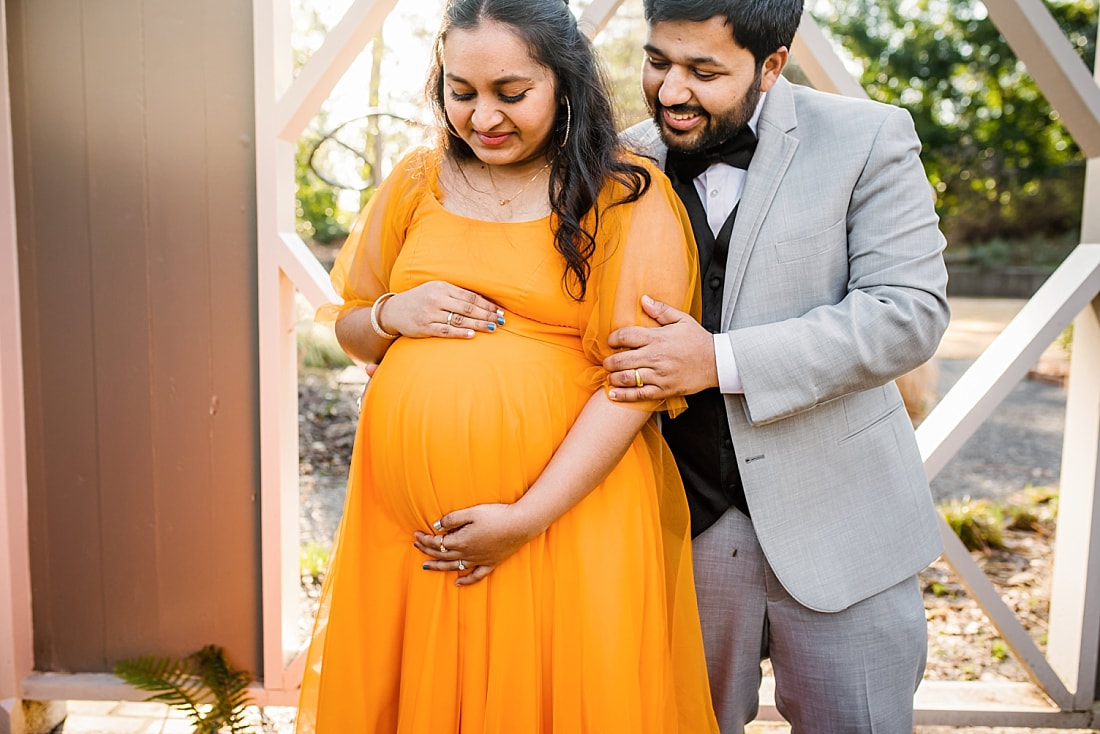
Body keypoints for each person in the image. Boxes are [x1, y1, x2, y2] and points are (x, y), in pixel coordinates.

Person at [295, 1, 720, 731]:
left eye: (510, 93)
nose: (482, 116)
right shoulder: (417, 180)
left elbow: (634, 386)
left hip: (561, 526)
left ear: (564, 83)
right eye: (461, 92)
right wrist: (395, 313)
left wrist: (524, 517)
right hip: (409, 544)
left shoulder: (624, 196)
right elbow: (354, 327)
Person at [599, 1, 952, 731]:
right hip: (674, 532)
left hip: (843, 526)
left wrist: (717, 360)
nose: (669, 92)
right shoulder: (615, 163)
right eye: (658, 61)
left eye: (704, 71)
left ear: (771, 66)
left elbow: (907, 313)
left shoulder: (868, 137)